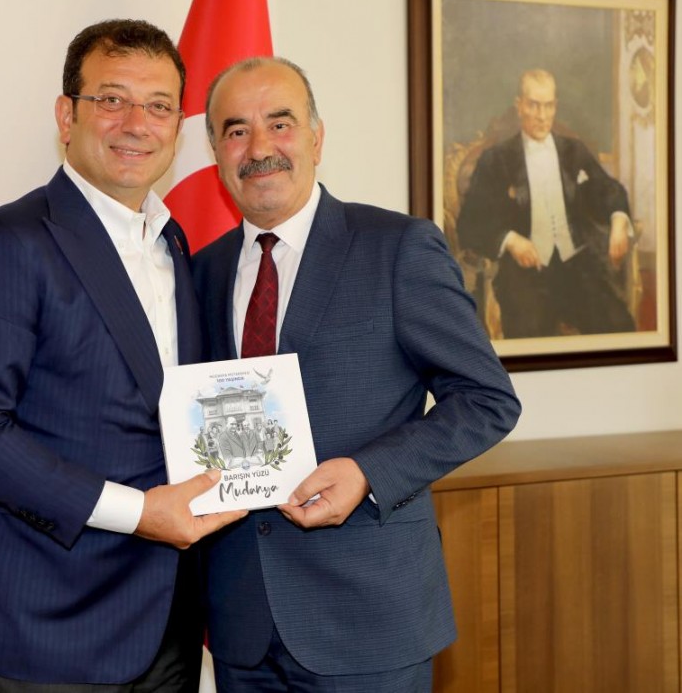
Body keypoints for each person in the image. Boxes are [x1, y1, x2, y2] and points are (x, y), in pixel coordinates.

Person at [0, 19, 245, 692]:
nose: (137, 124)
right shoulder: (8, 242)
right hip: (48, 630)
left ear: (177, 128)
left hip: (168, 626)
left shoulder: (173, 243)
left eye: (159, 106)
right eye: (112, 99)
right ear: (66, 115)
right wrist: (138, 513)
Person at [191, 56, 521, 692]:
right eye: (236, 130)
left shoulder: (398, 248)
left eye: (280, 123)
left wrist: (369, 473)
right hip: (241, 623)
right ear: (215, 152)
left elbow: (486, 400)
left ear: (316, 138)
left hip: (369, 618)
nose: (258, 148)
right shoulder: (199, 271)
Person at [457, 68, 636, 338]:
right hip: (524, 275)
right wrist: (509, 240)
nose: (542, 116)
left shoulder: (574, 152)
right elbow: (470, 222)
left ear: (556, 106)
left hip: (577, 266)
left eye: (549, 106)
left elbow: (607, 189)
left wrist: (619, 219)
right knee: (530, 335)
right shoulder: (496, 160)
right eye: (534, 105)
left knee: (619, 325)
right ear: (519, 106)